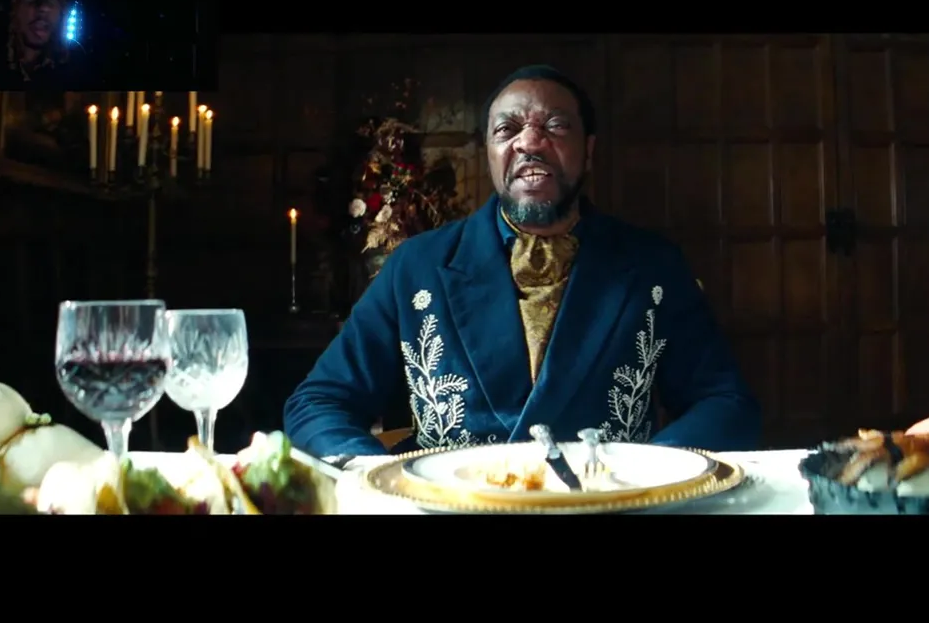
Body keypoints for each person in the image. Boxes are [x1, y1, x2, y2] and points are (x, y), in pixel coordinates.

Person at [285, 65, 762, 456]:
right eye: (507, 129)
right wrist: (382, 480)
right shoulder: (417, 266)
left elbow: (726, 402)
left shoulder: (652, 265)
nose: (529, 143)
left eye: (555, 126)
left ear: (588, 151)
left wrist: (649, 473)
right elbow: (319, 402)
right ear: (490, 154)